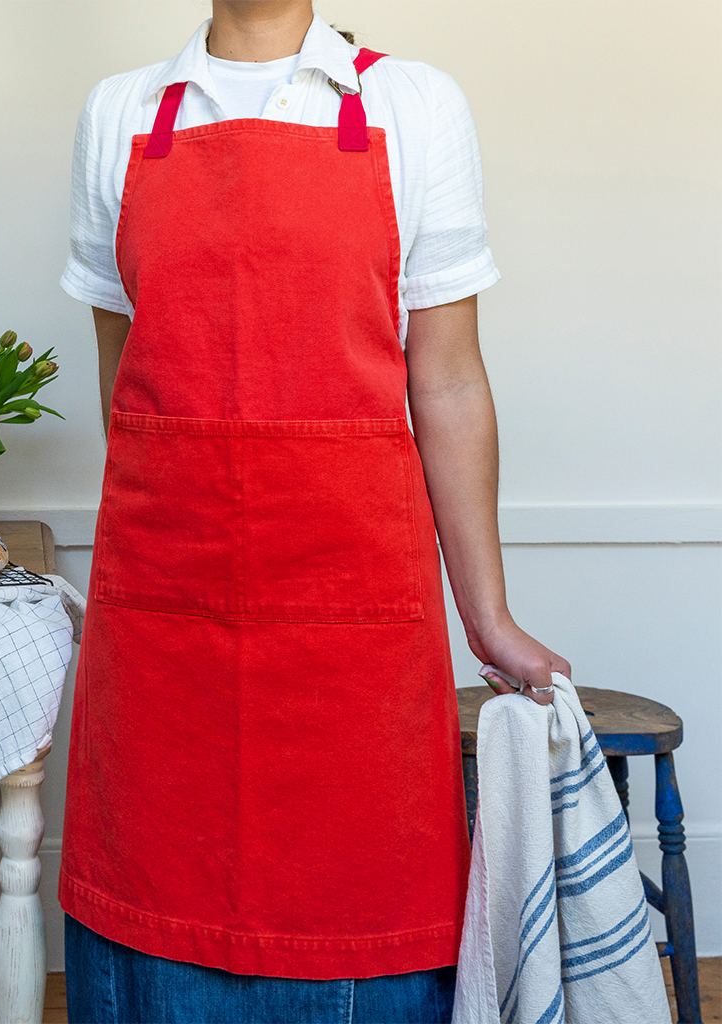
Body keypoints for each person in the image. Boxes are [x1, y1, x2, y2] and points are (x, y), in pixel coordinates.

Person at [58, 3, 570, 1022]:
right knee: (156, 900)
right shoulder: (120, 115)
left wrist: (487, 614)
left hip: (356, 609)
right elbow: (131, 385)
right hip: (168, 617)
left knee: (357, 899)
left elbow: (450, 380)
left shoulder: (411, 104)